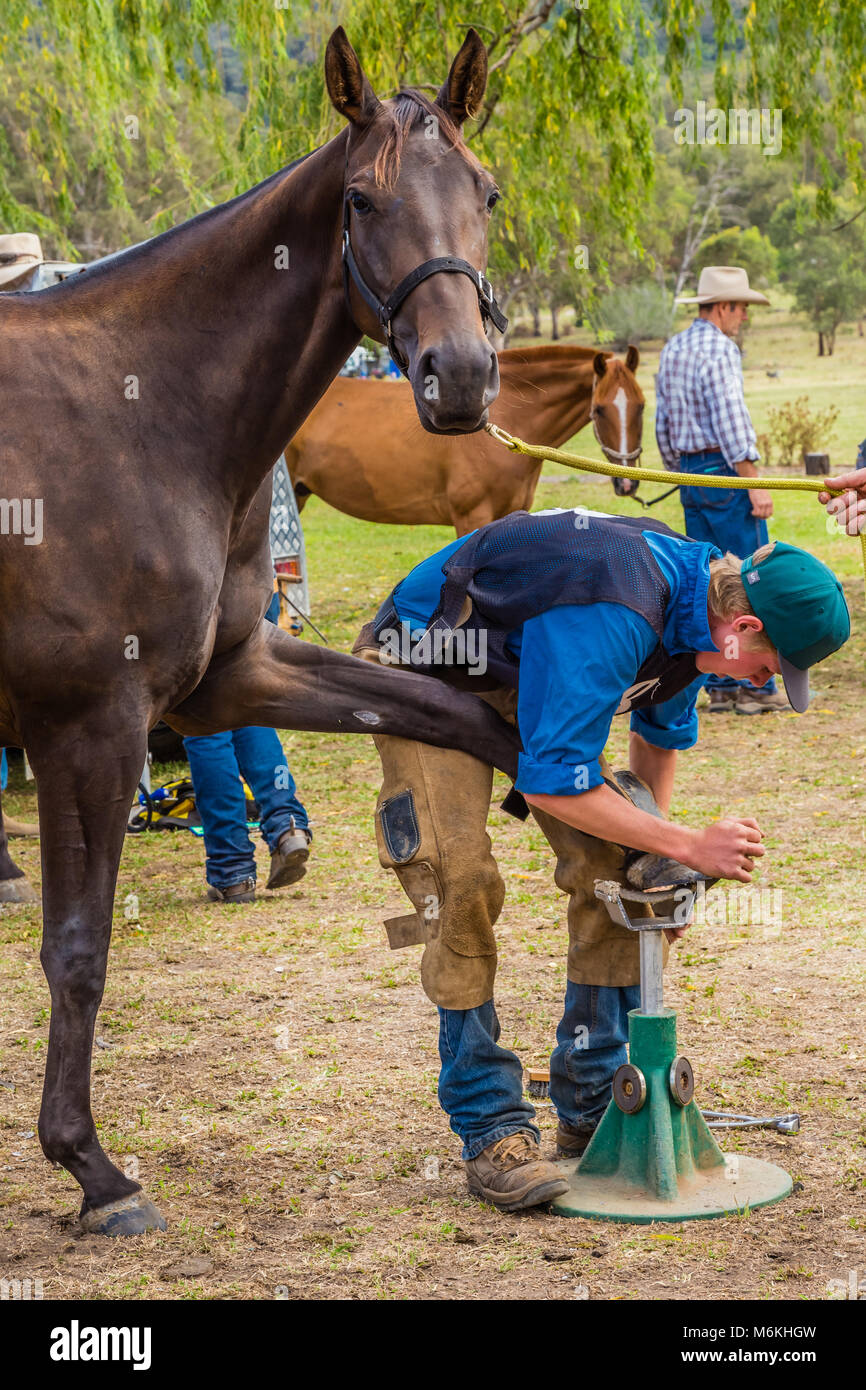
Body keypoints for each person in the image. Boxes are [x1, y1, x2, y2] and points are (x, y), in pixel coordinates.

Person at [353, 506, 850, 1212]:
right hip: (431, 662)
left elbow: (657, 743)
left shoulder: (701, 609)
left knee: (626, 870)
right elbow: (552, 781)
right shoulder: (621, 602)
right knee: (457, 875)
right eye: (771, 668)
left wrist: (660, 861)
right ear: (743, 629)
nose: (769, 681)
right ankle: (490, 1125)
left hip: (528, 661)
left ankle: (591, 1098)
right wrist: (688, 845)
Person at [656, 265, 786, 715]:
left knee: (705, 578)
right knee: (749, 576)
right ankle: (755, 685)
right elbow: (731, 419)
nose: (743, 317)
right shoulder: (720, 349)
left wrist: (680, 470)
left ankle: (720, 681)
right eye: (742, 308)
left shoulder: (673, 349)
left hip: (691, 474)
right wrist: (753, 483)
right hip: (726, 470)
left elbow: (663, 423)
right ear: (724, 307)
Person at [184, 592, 312, 902]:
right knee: (243, 701)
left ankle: (233, 871)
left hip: (191, 592)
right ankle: (287, 826)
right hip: (254, 583)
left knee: (201, 719)